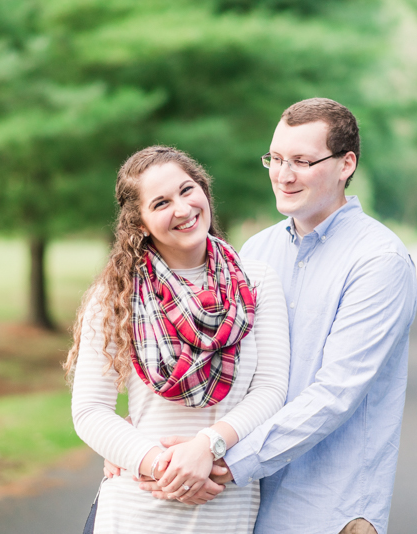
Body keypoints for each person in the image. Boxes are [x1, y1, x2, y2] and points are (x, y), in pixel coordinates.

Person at [132, 98, 417, 534]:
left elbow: (335, 393)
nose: (283, 175)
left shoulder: (379, 260)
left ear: (346, 164)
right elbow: (215, 366)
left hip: (330, 507)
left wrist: (224, 459)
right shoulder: (255, 253)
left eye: (302, 161)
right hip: (245, 505)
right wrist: (138, 450)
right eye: (276, 158)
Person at [65, 146, 290, 533]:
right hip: (139, 508)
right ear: (140, 223)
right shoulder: (117, 293)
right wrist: (161, 465)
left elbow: (270, 389)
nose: (183, 209)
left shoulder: (257, 282)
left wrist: (207, 447)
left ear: (204, 190)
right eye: (161, 203)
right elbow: (90, 411)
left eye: (187, 190)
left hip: (226, 507)